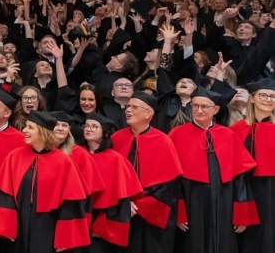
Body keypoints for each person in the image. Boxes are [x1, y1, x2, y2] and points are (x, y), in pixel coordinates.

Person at [169, 86, 257, 253]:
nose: (199, 110)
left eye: (204, 107)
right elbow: (173, 180)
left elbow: (239, 179)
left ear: (216, 109)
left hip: (224, 199)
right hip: (191, 200)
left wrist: (241, 214)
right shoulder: (177, 134)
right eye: (195, 106)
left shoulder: (228, 135)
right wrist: (179, 211)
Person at [0, 110, 91, 253]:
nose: (24, 130)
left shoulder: (64, 162)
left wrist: (65, 237)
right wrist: (5, 227)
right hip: (19, 224)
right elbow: (6, 195)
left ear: (43, 132)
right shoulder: (15, 157)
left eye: (30, 127)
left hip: (49, 225)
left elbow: (71, 204)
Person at [110, 92, 184, 253]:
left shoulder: (163, 140)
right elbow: (110, 176)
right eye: (128, 106)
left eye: (134, 107)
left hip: (153, 213)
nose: (128, 110)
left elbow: (168, 183)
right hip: (122, 210)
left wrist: (138, 205)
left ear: (148, 113)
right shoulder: (116, 138)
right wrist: (124, 204)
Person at [81, 113, 143, 253]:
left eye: (94, 126)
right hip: (80, 218)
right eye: (87, 125)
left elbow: (120, 200)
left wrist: (102, 225)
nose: (88, 129)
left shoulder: (115, 160)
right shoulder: (77, 154)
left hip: (102, 223)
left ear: (106, 133)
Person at [231, 78, 275, 253]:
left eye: (272, 97)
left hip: (272, 188)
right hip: (245, 187)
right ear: (252, 98)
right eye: (263, 95)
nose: (268, 100)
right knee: (249, 236)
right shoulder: (236, 128)